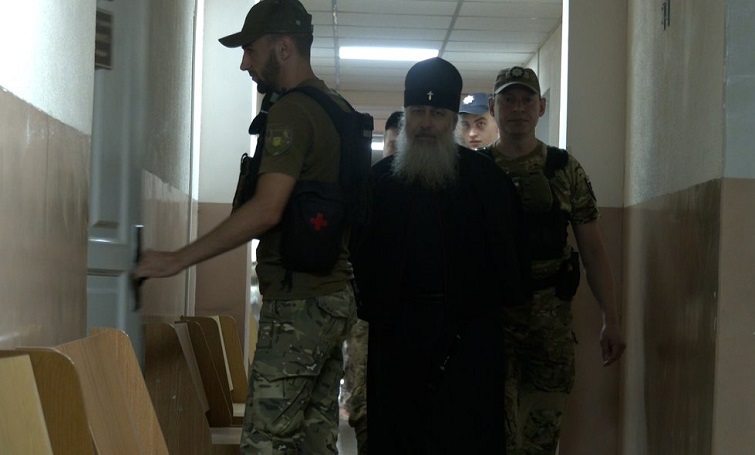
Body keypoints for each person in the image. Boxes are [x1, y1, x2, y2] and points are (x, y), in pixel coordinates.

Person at [133, 0, 358, 453]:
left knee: (264, 441)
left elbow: (266, 209)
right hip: (333, 297)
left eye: (251, 50)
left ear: (283, 48)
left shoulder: (293, 112)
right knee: (313, 439)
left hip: (299, 304)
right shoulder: (337, 108)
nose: (244, 63)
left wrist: (177, 259)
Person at [351, 57, 531, 454]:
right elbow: (358, 263)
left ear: (452, 122)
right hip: (395, 342)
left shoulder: (488, 183)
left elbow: (511, 266)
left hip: (469, 344)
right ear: (406, 117)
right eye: (418, 112)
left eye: (437, 114)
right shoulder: (377, 184)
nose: (426, 123)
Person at [481, 66, 626, 454]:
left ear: (541, 107)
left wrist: (611, 319)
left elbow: (593, 250)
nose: (518, 108)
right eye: (508, 100)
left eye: (526, 99)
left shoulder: (564, 169)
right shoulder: (477, 171)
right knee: (492, 434)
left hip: (549, 327)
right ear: (493, 107)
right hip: (491, 323)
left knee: (542, 437)